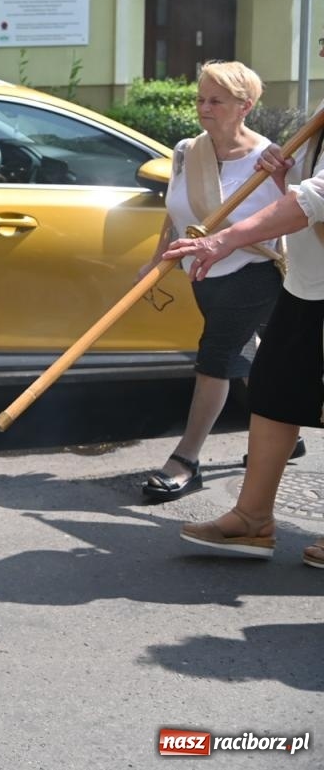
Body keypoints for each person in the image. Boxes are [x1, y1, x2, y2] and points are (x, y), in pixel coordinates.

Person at [165, 96, 324, 565]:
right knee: (274, 392)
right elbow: (306, 195)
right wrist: (285, 177)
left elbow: (317, 199)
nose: (321, 53)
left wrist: (227, 237)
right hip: (308, 283)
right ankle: (252, 520)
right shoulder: (322, 110)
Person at [136, 61, 290, 502]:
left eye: (216, 100)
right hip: (201, 274)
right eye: (200, 99)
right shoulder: (187, 150)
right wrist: (155, 262)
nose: (204, 108)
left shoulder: (271, 157)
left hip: (253, 272)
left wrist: (281, 177)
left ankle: (186, 460)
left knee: (216, 357)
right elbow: (176, 213)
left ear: (246, 105)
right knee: (248, 354)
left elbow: (294, 215)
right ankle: (283, 427)